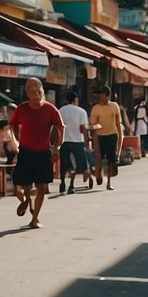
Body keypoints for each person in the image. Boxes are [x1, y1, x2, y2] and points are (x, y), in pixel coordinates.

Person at [8, 77, 64, 229]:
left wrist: (57, 147)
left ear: (42, 91)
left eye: (39, 90)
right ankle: (26, 200)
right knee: (23, 184)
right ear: (27, 93)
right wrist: (16, 141)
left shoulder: (50, 109)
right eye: (32, 90)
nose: (36, 93)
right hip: (25, 151)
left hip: (43, 152)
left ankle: (35, 218)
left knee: (41, 187)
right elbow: (12, 125)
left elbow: (60, 127)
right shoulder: (22, 109)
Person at [58, 91, 91, 194]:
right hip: (77, 141)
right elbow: (83, 128)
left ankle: (62, 182)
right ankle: (71, 185)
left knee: (64, 164)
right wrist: (87, 143)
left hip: (64, 141)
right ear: (75, 100)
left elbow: (58, 127)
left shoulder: (61, 110)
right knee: (75, 164)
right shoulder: (81, 111)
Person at [90, 85, 123, 189]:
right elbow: (93, 126)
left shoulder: (114, 106)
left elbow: (118, 123)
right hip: (100, 136)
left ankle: (109, 182)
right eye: (99, 96)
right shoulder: (95, 108)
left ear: (107, 96)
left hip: (112, 135)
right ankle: (98, 174)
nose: (100, 98)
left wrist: (120, 138)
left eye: (102, 96)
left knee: (111, 160)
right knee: (99, 158)